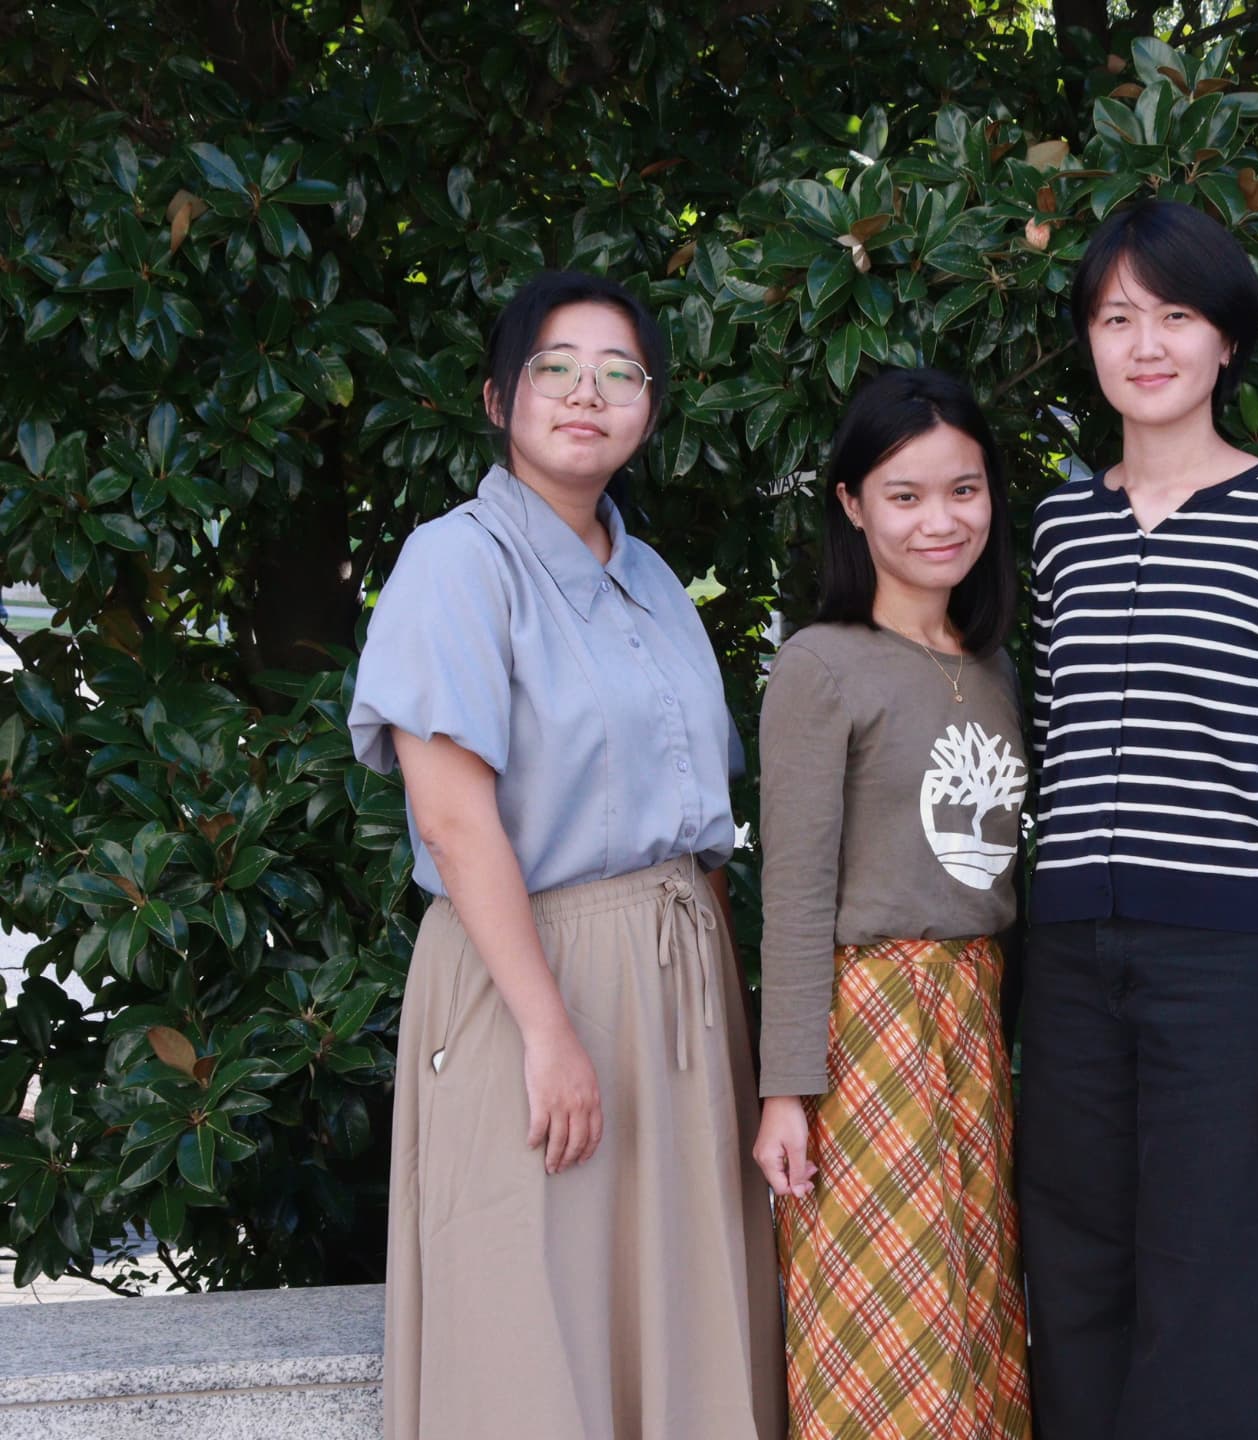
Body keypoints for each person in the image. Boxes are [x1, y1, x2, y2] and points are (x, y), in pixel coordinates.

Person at [349, 270, 783, 1440]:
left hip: (679, 991)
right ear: (499, 397)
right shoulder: (456, 561)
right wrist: (550, 1032)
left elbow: (703, 818)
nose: (587, 394)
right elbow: (453, 818)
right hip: (531, 976)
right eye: (556, 366)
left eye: (620, 373)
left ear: (649, 408)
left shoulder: (652, 581)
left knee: (679, 1322)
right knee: (535, 1327)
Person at [1020, 199, 1258, 1439]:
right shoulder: (1060, 528)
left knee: (1215, 1280)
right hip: (1066, 963)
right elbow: (1049, 750)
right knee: (1073, 1266)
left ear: (1227, 342)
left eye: (1176, 314)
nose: (1147, 343)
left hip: (1228, 971)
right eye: (1118, 317)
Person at [749, 367, 1030, 1440]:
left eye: (963, 490)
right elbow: (796, 887)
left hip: (971, 1020)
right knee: (887, 1341)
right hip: (868, 1030)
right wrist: (788, 1090)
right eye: (904, 495)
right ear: (852, 504)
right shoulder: (823, 665)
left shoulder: (995, 665)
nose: (938, 519)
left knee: (975, 1321)